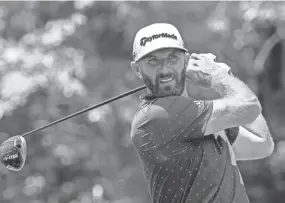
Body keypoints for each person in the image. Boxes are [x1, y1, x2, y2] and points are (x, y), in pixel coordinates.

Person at [130, 23, 275, 203]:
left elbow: (263, 144)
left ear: (186, 61)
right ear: (137, 69)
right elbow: (249, 107)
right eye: (153, 61)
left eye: (172, 58)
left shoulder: (205, 119)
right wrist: (220, 76)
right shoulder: (154, 115)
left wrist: (224, 79)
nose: (165, 69)